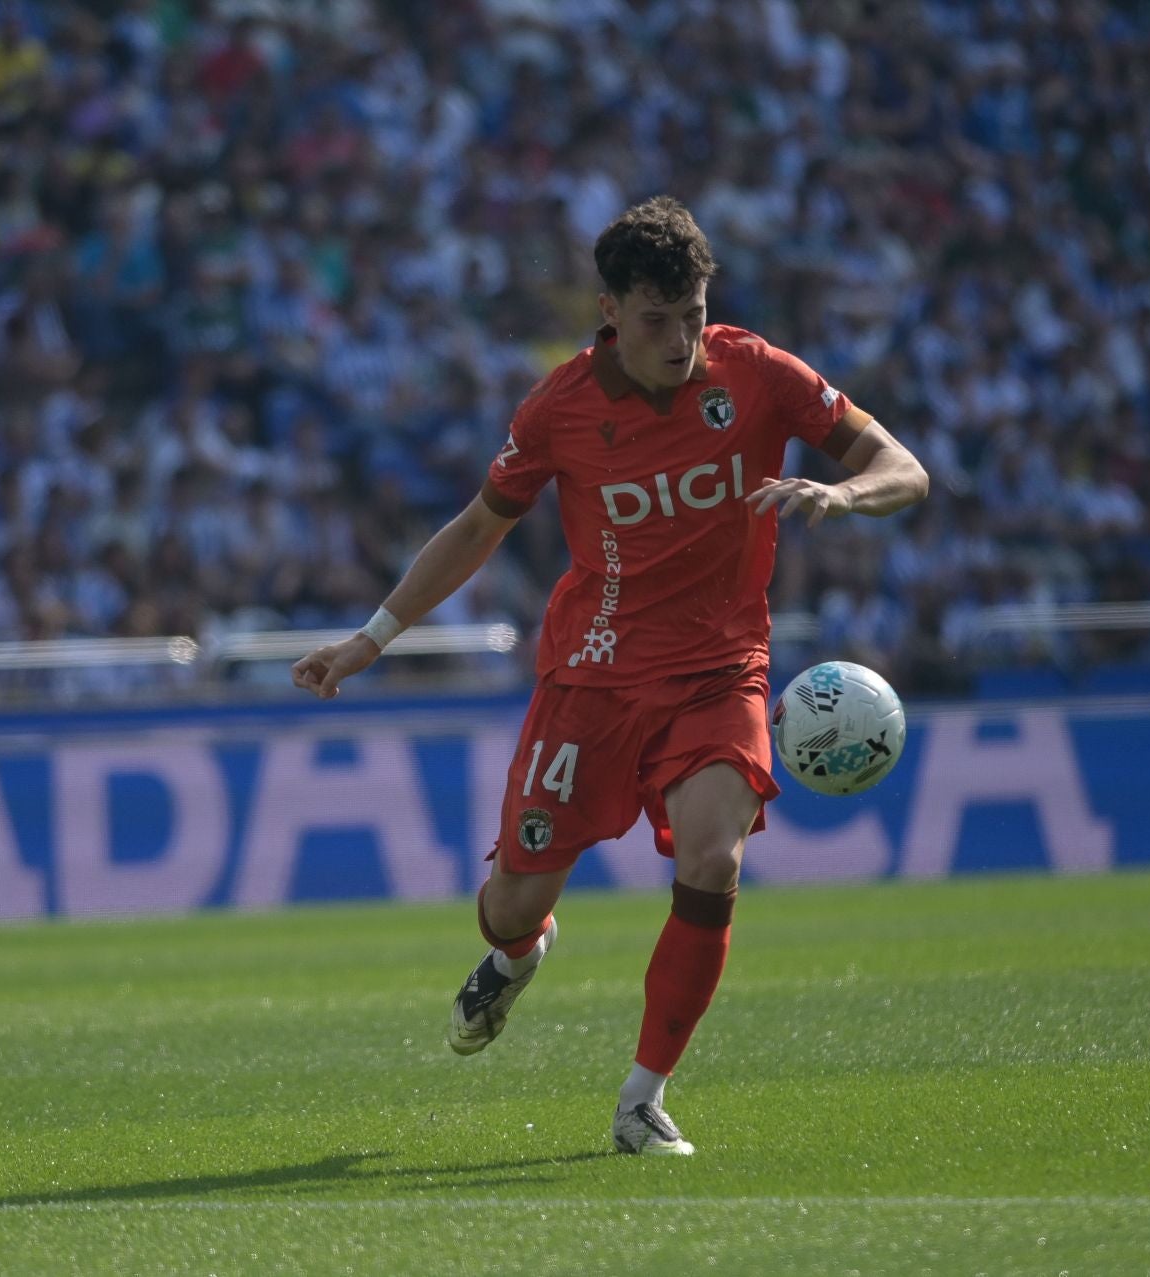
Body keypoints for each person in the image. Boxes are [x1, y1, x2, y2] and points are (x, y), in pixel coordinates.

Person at [291, 198, 928, 1156]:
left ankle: (642, 1098)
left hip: (720, 670)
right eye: (655, 321)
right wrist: (370, 640)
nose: (680, 341)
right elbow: (477, 527)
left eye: (694, 314)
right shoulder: (561, 408)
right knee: (513, 900)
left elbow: (904, 467)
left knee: (713, 860)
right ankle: (517, 953)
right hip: (591, 680)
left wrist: (842, 491)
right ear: (609, 312)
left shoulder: (759, 375)